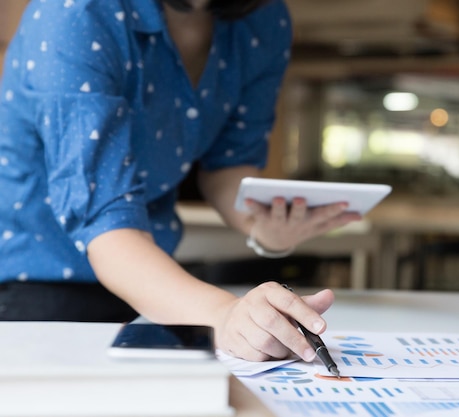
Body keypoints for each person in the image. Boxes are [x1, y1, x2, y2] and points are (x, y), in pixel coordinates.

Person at [0, 0, 360, 362]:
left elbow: (228, 166)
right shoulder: (76, 11)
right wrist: (224, 316)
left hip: (156, 282)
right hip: (35, 285)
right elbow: (105, 220)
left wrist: (262, 227)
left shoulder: (263, 18)